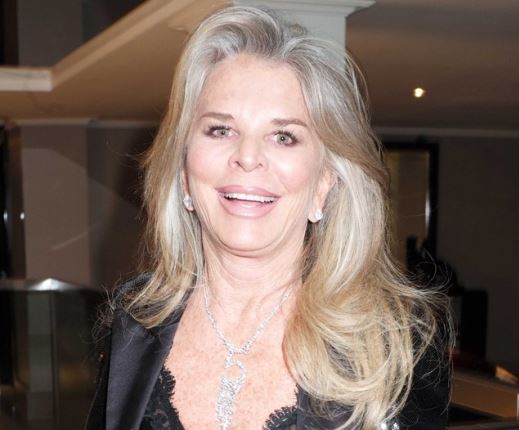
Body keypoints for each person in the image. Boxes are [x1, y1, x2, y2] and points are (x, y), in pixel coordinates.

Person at [86, 6, 450, 430]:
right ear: (183, 172)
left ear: (324, 183)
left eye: (283, 136)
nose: (247, 156)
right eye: (221, 129)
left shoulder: (394, 346)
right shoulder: (133, 321)